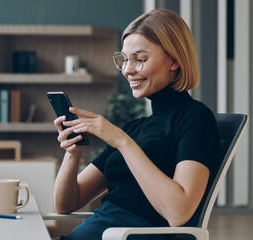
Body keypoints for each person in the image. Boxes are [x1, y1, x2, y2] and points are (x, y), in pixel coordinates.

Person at [53, 8, 220, 240]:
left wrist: (122, 141)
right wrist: (73, 152)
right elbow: (65, 204)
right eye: (124, 59)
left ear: (174, 60)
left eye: (140, 59)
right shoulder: (135, 128)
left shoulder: (195, 118)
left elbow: (178, 212)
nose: (128, 70)